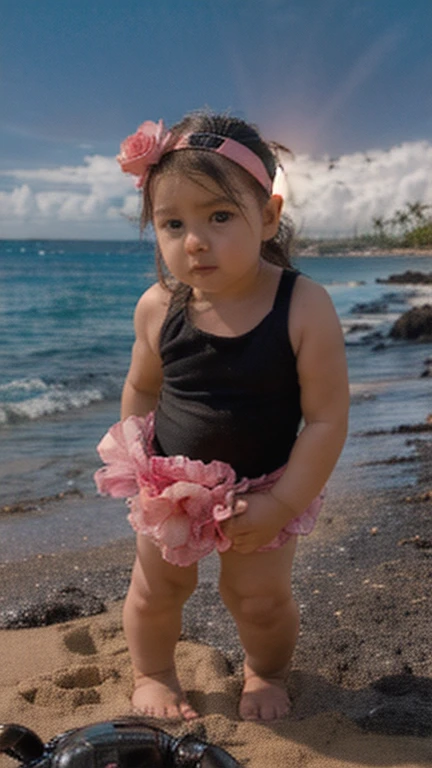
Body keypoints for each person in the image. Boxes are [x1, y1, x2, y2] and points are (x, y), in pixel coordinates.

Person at [95, 111, 349, 723]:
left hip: (262, 487)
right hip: (171, 491)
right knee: (157, 592)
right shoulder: (158, 306)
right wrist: (137, 464)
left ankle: (266, 671)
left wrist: (282, 504)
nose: (195, 240)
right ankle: (153, 672)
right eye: (172, 223)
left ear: (266, 217)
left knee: (257, 598)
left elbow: (325, 419)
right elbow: (142, 387)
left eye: (219, 216)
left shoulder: (303, 304)